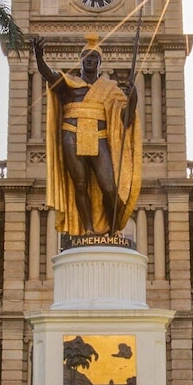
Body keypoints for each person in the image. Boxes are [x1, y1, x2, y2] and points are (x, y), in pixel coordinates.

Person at [33, 33, 142, 237]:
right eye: (87, 57)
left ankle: (112, 229)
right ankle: (88, 229)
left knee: (109, 188)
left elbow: (126, 119)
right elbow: (49, 75)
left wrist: (133, 97)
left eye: (94, 57)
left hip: (98, 137)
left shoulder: (110, 90)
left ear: (99, 63)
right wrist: (39, 58)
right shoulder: (70, 84)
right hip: (71, 135)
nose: (90, 60)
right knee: (80, 185)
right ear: (81, 60)